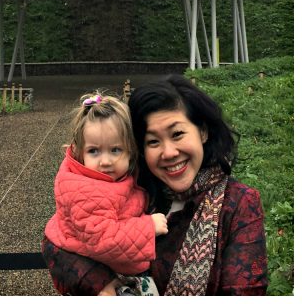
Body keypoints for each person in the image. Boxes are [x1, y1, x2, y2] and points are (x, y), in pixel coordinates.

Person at [43, 75, 268, 295]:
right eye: (153, 141)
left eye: (177, 134)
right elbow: (56, 241)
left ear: (203, 131)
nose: (169, 152)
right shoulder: (133, 186)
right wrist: (97, 282)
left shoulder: (238, 204)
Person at [43, 92, 166, 295]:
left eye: (115, 150)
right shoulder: (86, 191)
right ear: (79, 152)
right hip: (102, 267)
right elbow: (103, 239)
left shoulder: (116, 178)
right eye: (94, 151)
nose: (106, 161)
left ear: (131, 151)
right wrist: (148, 227)